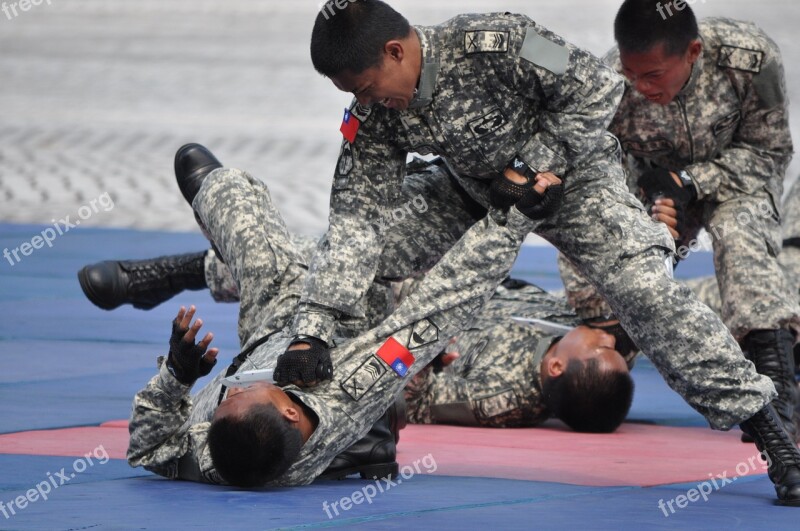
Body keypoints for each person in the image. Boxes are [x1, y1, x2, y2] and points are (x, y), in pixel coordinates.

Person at [291, 0, 800, 505]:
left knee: (645, 294)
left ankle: (773, 435)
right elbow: (356, 217)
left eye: (365, 87)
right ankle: (367, 434)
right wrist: (315, 326)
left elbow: (597, 88)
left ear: (396, 52)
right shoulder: (372, 111)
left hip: (577, 183)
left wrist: (534, 164)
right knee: (370, 261)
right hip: (475, 191)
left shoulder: (498, 41)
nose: (367, 102)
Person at [127, 145, 543, 487]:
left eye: (222, 401)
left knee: (224, 189)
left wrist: (177, 378)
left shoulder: (221, 453)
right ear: (291, 410)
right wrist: (512, 223)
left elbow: (147, 450)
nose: (229, 392)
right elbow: (438, 308)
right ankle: (373, 435)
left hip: (268, 322)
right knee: (354, 246)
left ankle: (197, 259)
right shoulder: (355, 385)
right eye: (240, 395)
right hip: (347, 318)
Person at [577, 0, 799, 443]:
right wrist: (648, 211)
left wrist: (692, 180)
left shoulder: (748, 60)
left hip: (734, 185)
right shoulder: (609, 84)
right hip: (653, 190)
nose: (639, 87)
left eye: (653, 75)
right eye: (631, 73)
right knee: (611, 298)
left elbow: (769, 153)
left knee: (741, 240)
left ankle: (778, 399)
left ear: (693, 52)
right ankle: (589, 386)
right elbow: (593, 179)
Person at [404, 278, 635, 433]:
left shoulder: (503, 397)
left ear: (556, 367)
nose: (610, 339)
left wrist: (419, 348)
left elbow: (415, 404)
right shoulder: (581, 337)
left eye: (604, 349)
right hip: (465, 276)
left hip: (407, 301)